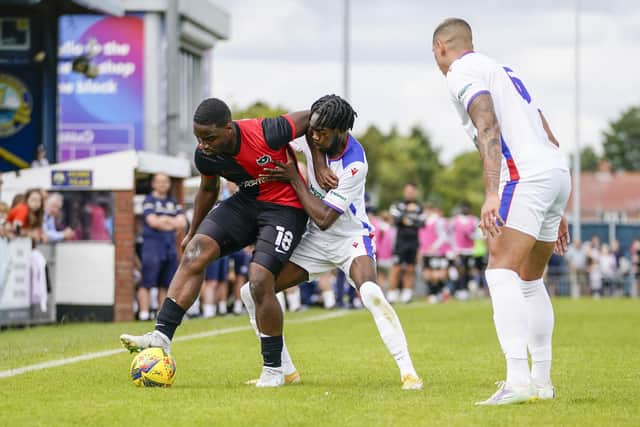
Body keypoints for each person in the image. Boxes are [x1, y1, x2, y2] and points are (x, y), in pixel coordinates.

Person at [120, 98, 311, 388]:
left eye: (209, 137)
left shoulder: (268, 132)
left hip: (285, 208)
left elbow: (314, 116)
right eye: (198, 137)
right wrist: (192, 231)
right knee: (195, 252)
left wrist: (319, 165)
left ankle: (274, 370)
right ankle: (161, 337)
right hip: (247, 204)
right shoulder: (204, 155)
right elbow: (208, 190)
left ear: (229, 129)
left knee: (260, 280)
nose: (203, 144)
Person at [242, 94, 423, 390]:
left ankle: (409, 372)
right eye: (312, 130)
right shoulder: (318, 136)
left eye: (321, 132)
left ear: (341, 131)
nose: (313, 135)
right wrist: (313, 157)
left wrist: (295, 179)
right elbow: (285, 136)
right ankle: (284, 370)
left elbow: (325, 217)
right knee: (252, 292)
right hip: (315, 241)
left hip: (350, 238)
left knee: (371, 293)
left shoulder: (354, 165)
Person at [433, 18, 570, 404]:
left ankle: (518, 380)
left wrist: (492, 192)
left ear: (440, 48)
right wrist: (555, 205)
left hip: (523, 177)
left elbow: (487, 124)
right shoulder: (504, 70)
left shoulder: (461, 70)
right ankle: (541, 383)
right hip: (555, 172)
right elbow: (547, 131)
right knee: (529, 281)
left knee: (499, 272)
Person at [137, 173, 187, 321]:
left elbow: (182, 223)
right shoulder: (149, 200)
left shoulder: (173, 202)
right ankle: (144, 313)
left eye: (165, 182)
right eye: (159, 182)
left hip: (169, 245)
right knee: (147, 281)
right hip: (152, 246)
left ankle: (161, 314)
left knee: (166, 283)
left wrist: (163, 220)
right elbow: (153, 222)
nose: (163, 184)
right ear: (153, 184)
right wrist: (171, 222)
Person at [387, 183, 424, 304]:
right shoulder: (398, 205)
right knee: (396, 267)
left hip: (414, 241)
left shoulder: (419, 206)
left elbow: (422, 223)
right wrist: (408, 213)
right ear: (404, 192)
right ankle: (391, 294)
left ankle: (407, 295)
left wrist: (407, 220)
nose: (410, 193)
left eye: (412, 191)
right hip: (400, 241)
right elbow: (396, 220)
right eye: (408, 191)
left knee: (410, 268)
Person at [450, 201, 479, 300]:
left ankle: (467, 289)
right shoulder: (455, 220)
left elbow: (478, 234)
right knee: (460, 270)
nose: (465, 209)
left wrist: (470, 236)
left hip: (470, 250)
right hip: (459, 249)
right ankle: (460, 289)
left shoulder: (474, 220)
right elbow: (450, 234)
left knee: (468, 270)